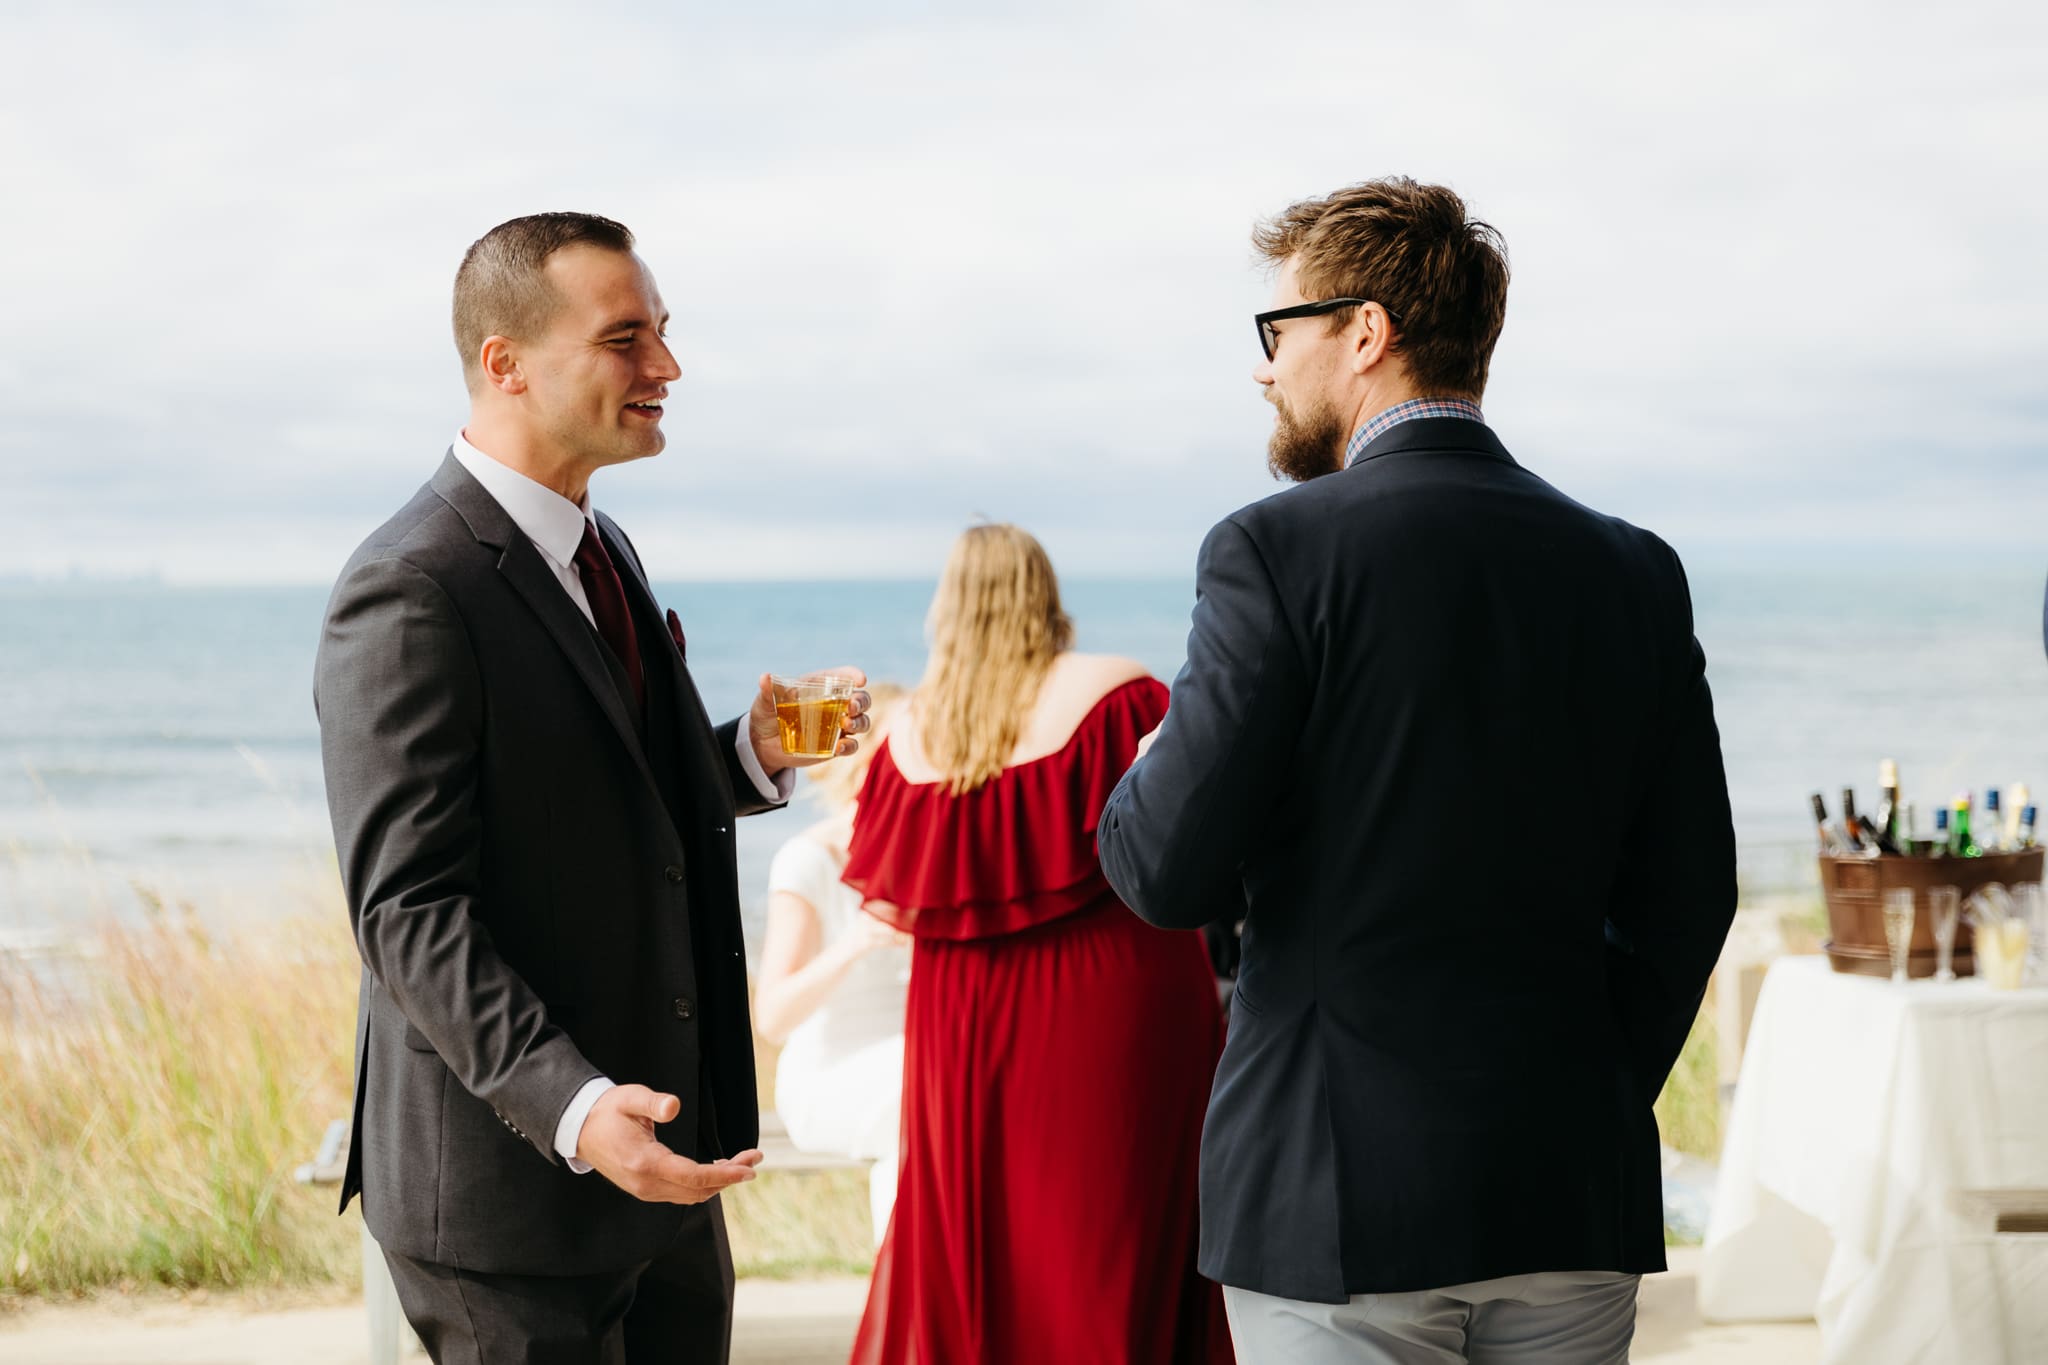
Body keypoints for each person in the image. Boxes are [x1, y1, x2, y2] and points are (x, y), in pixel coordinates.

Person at [1098, 177, 1737, 1364]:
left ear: (1364, 332)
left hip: (1335, 1202)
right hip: (1564, 1191)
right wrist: (1592, 1088)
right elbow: (1688, 893)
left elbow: (1162, 873)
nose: (1262, 367)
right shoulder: (1633, 569)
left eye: (1275, 331)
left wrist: (1151, 761)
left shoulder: (1272, 549)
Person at [314, 211, 870, 1364]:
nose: (666, 368)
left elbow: (604, 808)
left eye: (662, 333)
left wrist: (747, 756)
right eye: (627, 339)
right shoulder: (410, 586)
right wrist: (572, 1108)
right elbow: (407, 910)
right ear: (503, 362)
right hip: (509, 1190)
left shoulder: (603, 547)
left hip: (660, 1172)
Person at [842, 524, 1234, 1365]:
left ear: (946, 608)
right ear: (1043, 594)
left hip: (959, 1022)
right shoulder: (1119, 694)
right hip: (1115, 1001)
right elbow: (1195, 842)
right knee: (1111, 1236)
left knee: (983, 1238)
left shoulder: (908, 738)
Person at [752, 683, 911, 1242]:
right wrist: (858, 942)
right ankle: (906, 1296)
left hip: (911, 1058)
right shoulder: (810, 858)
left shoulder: (924, 852)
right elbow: (772, 1017)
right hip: (829, 1074)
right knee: (923, 1101)